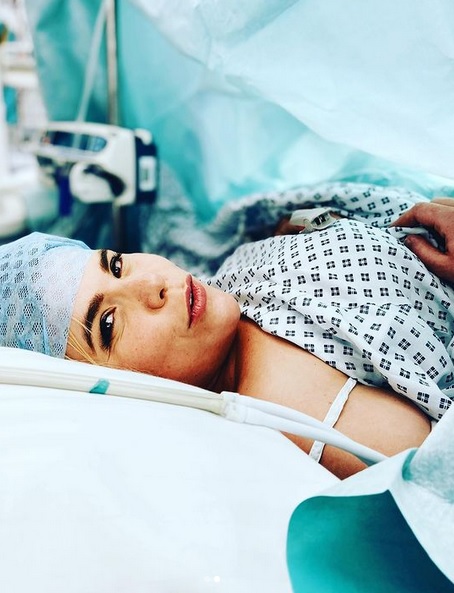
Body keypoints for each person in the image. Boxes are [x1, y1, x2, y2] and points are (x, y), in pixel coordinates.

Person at [1, 209, 451, 478]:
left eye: (116, 265)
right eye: (108, 323)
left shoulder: (216, 311)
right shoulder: (306, 420)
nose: (152, 284)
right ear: (114, 391)